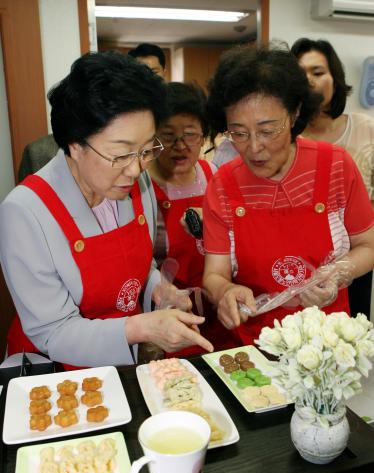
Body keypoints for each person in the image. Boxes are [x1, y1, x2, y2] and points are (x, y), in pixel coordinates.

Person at [0, 51, 213, 369]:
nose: (135, 169)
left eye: (145, 151)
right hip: (55, 373)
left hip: (122, 362)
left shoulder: (137, 187)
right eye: (121, 154)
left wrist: (160, 290)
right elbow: (53, 332)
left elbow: (141, 268)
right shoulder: (26, 212)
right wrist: (144, 327)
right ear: (75, 143)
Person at [202, 45, 374, 345]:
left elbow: (368, 246)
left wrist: (338, 272)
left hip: (328, 342)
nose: (254, 148)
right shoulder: (222, 185)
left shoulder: (336, 165)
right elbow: (213, 274)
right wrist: (224, 292)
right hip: (253, 344)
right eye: (239, 133)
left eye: (268, 130)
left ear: (295, 114)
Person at [148, 82, 237, 355]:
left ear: (204, 136)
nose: (180, 146)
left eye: (190, 135)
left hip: (217, 306)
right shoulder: (142, 185)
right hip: (171, 313)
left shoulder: (215, 174)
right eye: (168, 136)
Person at [291, 38, 374, 319]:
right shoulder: (286, 139)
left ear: (334, 79)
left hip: (359, 257)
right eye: (301, 74)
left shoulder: (366, 128)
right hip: (301, 264)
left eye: (318, 72)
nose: (310, 81)